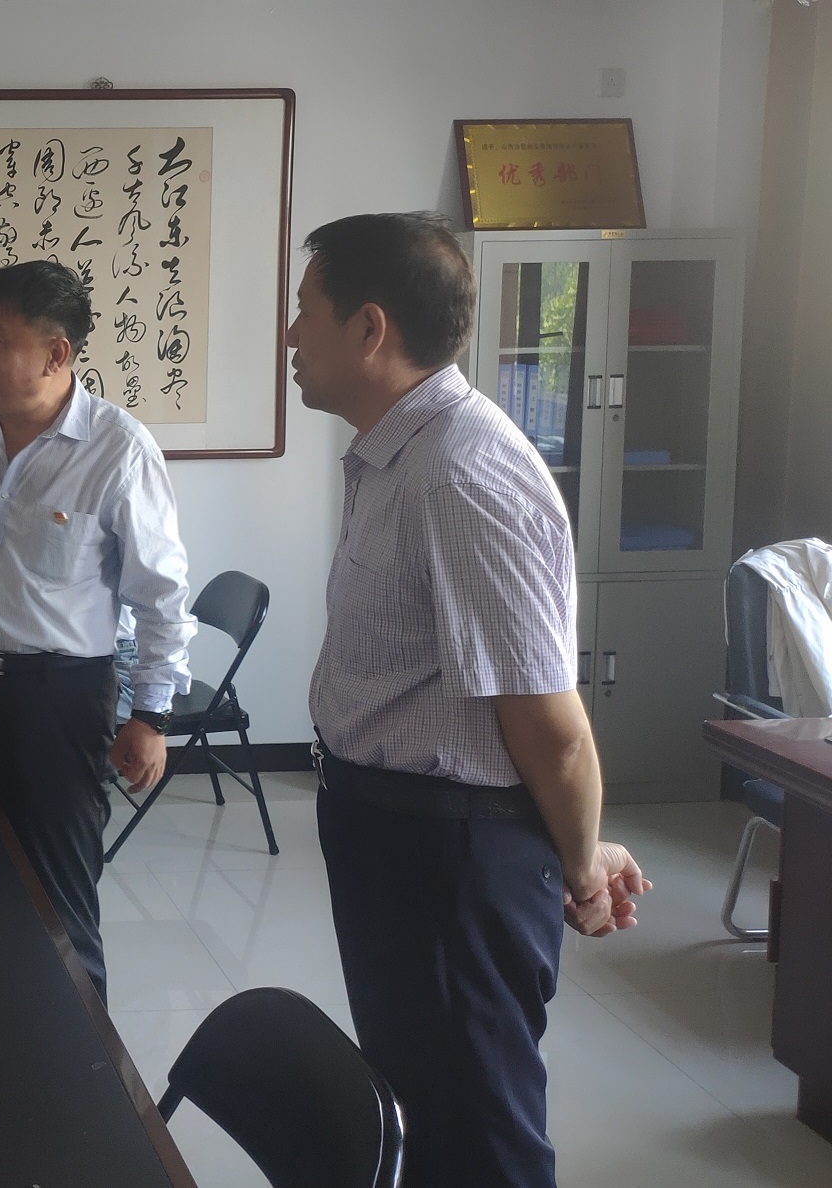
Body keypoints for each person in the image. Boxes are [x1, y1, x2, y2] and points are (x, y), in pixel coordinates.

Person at [288, 213, 650, 1188]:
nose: (289, 334)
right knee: (421, 1106)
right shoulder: (397, 456)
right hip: (396, 837)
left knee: (478, 1137)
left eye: (304, 310)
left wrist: (580, 863)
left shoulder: (461, 472)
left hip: (447, 862)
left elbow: (551, 729)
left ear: (368, 328)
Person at [0, 260, 197, 999]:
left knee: (58, 898)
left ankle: (79, 1053)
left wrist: (151, 716)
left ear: (57, 354)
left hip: (57, 699)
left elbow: (161, 595)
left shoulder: (118, 450)